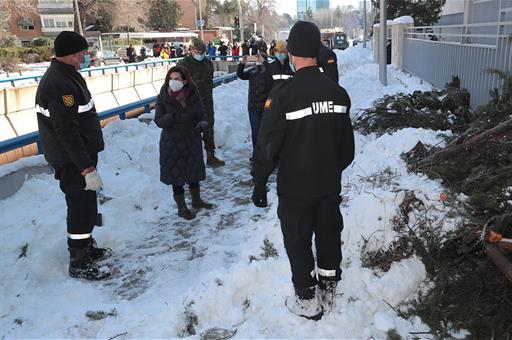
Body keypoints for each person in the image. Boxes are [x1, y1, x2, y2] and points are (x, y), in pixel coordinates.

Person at [251, 21, 354, 320]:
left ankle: (307, 299)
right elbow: (346, 151)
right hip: (327, 184)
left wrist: (260, 182)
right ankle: (330, 287)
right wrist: (329, 168)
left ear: (293, 53)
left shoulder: (283, 94)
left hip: (295, 187)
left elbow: (267, 146)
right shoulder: (338, 93)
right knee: (328, 235)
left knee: (297, 240)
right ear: (319, 53)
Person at [35, 31, 110, 281]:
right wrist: (86, 168)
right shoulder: (58, 83)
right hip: (72, 161)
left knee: (86, 204)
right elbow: (66, 131)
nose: (86, 55)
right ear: (70, 54)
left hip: (80, 156)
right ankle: (78, 261)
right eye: (82, 52)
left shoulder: (69, 75)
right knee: (79, 206)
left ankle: (86, 247)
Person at [154, 66, 213, 220]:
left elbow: (202, 116)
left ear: (185, 81)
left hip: (191, 139)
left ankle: (196, 200)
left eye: (177, 79)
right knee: (176, 176)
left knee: (194, 172)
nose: (173, 82)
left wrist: (201, 126)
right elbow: (158, 120)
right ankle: (182, 208)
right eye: (171, 79)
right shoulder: (163, 96)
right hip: (171, 143)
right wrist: (173, 116)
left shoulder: (193, 94)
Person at [179, 38, 225, 167]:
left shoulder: (208, 63)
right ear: (192, 50)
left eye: (202, 52)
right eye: (197, 51)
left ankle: (211, 156)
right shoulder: (184, 64)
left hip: (206, 102)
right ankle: (192, 161)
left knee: (208, 130)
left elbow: (209, 83)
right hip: (190, 104)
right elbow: (178, 85)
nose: (200, 54)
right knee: (191, 132)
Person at [236, 50, 272, 152]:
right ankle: (257, 154)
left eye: (259, 56)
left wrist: (264, 62)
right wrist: (242, 64)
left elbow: (270, 72)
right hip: (253, 106)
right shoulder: (253, 70)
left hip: (265, 107)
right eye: (256, 56)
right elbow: (241, 75)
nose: (257, 58)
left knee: (266, 132)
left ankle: (267, 154)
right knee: (255, 132)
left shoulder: (269, 69)